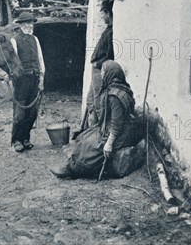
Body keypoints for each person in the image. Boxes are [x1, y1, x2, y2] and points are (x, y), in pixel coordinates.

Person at [50, 60, 145, 179]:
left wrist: (109, 144)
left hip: (120, 133)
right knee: (82, 137)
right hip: (111, 128)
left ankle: (74, 171)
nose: (101, 75)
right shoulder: (122, 89)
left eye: (104, 72)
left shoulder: (115, 96)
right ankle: (72, 163)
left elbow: (116, 124)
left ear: (111, 74)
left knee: (91, 146)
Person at [9, 12, 46, 153]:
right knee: (20, 113)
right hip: (21, 80)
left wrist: (42, 78)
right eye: (27, 23)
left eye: (31, 23)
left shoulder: (35, 39)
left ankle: (25, 138)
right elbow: (13, 64)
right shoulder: (14, 40)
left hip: (35, 78)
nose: (30, 25)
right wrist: (14, 81)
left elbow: (40, 59)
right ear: (21, 25)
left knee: (32, 112)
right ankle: (16, 140)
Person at [77, 0, 114, 136]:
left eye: (103, 13)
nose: (102, 17)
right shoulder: (108, 30)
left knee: (99, 102)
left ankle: (102, 133)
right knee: (91, 100)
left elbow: (110, 55)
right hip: (96, 71)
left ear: (109, 14)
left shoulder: (111, 32)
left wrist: (96, 64)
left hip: (100, 70)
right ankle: (92, 132)